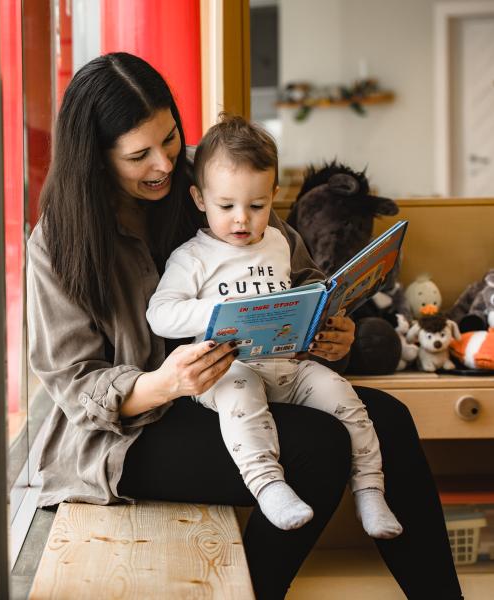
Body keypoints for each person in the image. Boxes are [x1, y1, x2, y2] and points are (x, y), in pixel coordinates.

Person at [26, 52, 461, 599]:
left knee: (390, 421)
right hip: (127, 432)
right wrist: (167, 382)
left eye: (169, 138)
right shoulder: (58, 240)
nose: (164, 163)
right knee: (318, 448)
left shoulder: (213, 176)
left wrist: (331, 332)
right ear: (95, 157)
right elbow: (72, 383)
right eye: (140, 155)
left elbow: (299, 278)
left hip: (248, 381)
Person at [146, 114, 402, 538]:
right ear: (198, 198)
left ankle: (370, 490)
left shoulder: (279, 243)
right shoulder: (192, 257)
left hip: (289, 363)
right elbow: (161, 312)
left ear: (274, 196)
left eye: (257, 205)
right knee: (241, 399)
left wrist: (324, 316)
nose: (242, 220)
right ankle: (267, 485)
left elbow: (305, 291)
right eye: (226, 206)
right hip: (228, 369)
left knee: (344, 396)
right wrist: (216, 310)